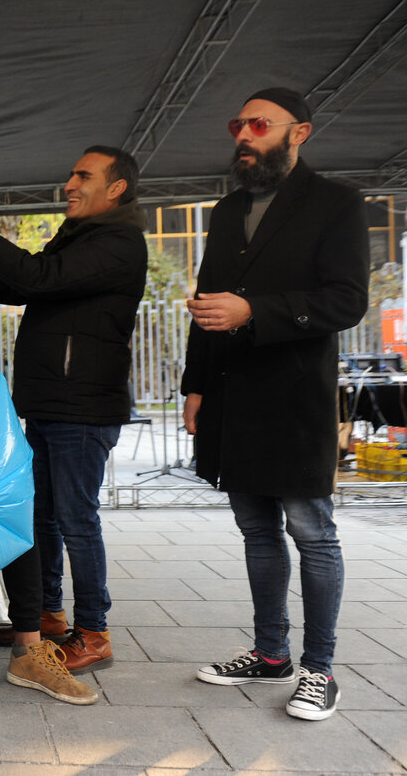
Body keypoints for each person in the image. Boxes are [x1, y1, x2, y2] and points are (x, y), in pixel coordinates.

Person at [182, 88, 369, 721]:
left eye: (259, 125)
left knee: (312, 534)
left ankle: (320, 669)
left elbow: (346, 301)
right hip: (233, 397)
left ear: (299, 133)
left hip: (294, 400)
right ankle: (270, 655)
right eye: (239, 124)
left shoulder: (336, 203)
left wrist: (254, 311)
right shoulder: (227, 210)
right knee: (256, 531)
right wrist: (196, 385)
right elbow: (210, 301)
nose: (244, 134)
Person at [0, 146, 148, 674]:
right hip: (52, 402)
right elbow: (16, 287)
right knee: (40, 518)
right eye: (71, 172)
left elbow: (36, 278)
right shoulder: (79, 236)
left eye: (84, 175)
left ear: (116, 187)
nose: (69, 184)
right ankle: (49, 616)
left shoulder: (118, 241)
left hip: (82, 406)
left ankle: (95, 631)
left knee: (77, 520)